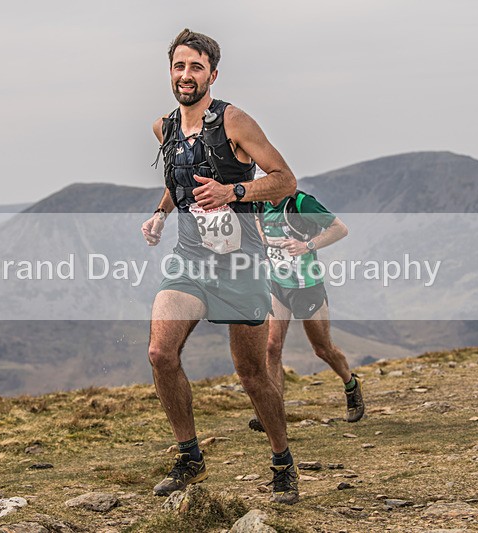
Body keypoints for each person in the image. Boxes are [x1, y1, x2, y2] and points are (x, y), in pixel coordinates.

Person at [141, 28, 300, 504]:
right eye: (178, 66)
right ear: (170, 71)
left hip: (241, 262)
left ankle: (282, 461)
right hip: (190, 258)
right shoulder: (163, 127)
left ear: (212, 72)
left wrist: (234, 192)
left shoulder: (235, 122)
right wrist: (161, 213)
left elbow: (285, 180)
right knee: (159, 353)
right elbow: (180, 180)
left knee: (251, 373)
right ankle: (190, 455)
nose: (186, 75)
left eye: (195, 67)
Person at [248, 191, 365, 433]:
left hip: (306, 286)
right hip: (276, 284)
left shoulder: (300, 202)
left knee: (322, 349)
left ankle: (351, 384)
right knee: (271, 346)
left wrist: (307, 245)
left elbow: (339, 228)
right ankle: (272, 412)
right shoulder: (259, 206)